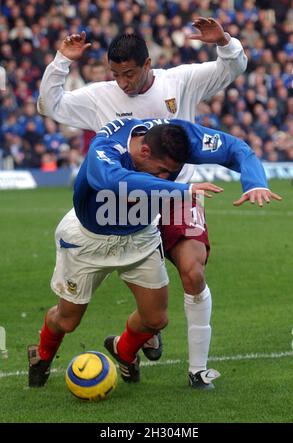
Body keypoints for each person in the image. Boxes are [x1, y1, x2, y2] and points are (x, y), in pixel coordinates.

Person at [37, 18, 248, 389]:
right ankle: (127, 346)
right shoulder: (99, 96)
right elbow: (48, 105)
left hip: (178, 194)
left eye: (129, 74)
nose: (123, 83)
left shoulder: (179, 81)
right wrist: (61, 62)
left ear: (148, 64)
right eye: (116, 74)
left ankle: (197, 371)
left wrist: (225, 43)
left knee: (193, 274)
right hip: (122, 206)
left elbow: (232, 69)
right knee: (76, 317)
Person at [28, 117, 282, 388]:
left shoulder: (177, 136)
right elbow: (115, 181)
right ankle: (40, 355)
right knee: (67, 321)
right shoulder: (105, 148)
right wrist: (182, 189)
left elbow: (234, 147)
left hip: (139, 236)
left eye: (171, 172)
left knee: (156, 319)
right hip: (88, 240)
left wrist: (255, 181)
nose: (165, 175)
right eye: (161, 171)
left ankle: (124, 352)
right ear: (144, 152)